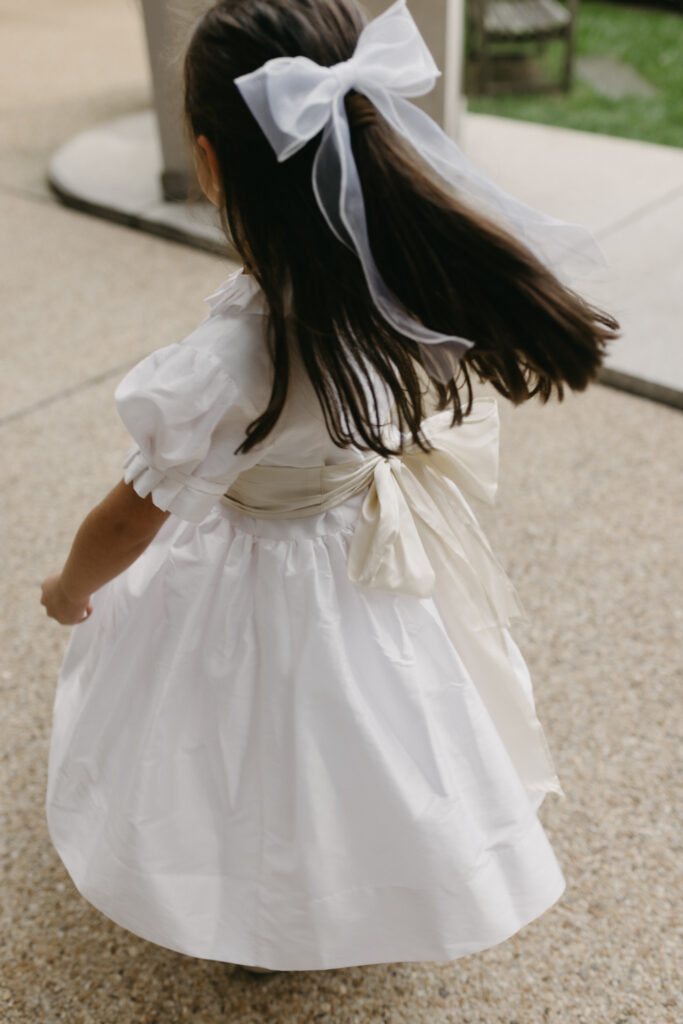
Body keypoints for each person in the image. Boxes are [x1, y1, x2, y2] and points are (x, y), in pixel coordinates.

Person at [41, 0, 619, 976]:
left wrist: (68, 587)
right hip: (357, 548)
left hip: (255, 561)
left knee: (247, 737)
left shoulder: (232, 357)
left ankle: (252, 916)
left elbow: (132, 512)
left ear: (210, 163)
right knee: (363, 722)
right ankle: (347, 889)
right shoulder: (409, 285)